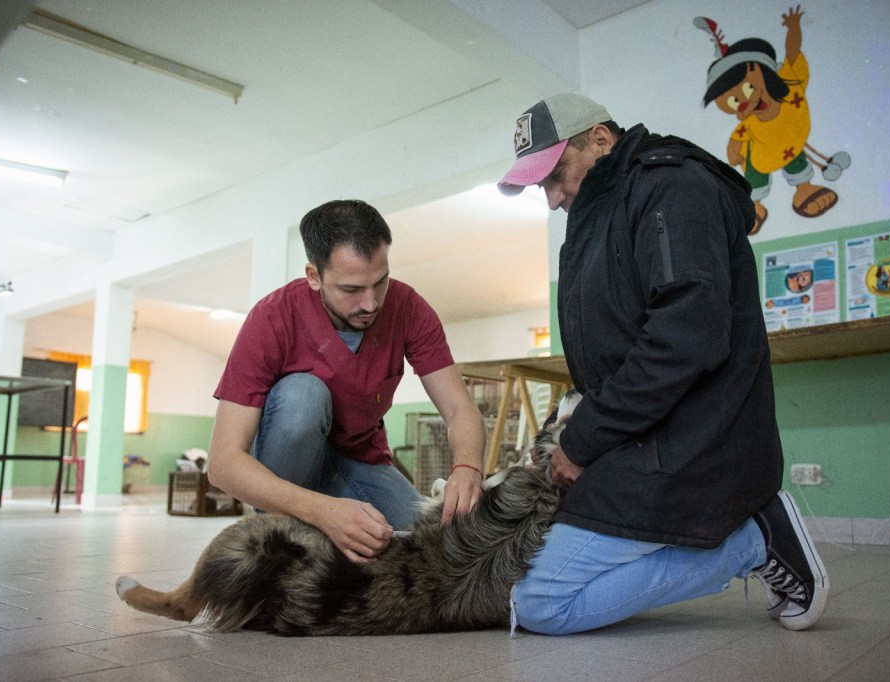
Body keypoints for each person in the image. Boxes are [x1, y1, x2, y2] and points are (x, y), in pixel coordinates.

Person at [497, 93, 828, 635]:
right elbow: (615, 355)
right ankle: (736, 537)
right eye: (543, 186)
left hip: (696, 444)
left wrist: (583, 440)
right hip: (640, 439)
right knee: (530, 571)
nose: (554, 198)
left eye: (558, 174)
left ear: (601, 140)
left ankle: (757, 539)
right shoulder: (597, 217)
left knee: (541, 604)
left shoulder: (672, 189)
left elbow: (684, 339)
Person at [207, 199, 486, 564]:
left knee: (427, 551)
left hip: (361, 461)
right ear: (314, 276)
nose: (371, 303)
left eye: (380, 282)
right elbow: (223, 464)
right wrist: (325, 512)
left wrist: (468, 467)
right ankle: (279, 537)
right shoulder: (272, 318)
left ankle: (313, 534)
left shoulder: (409, 309)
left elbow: (458, 408)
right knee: (303, 395)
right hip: (289, 468)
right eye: (352, 290)